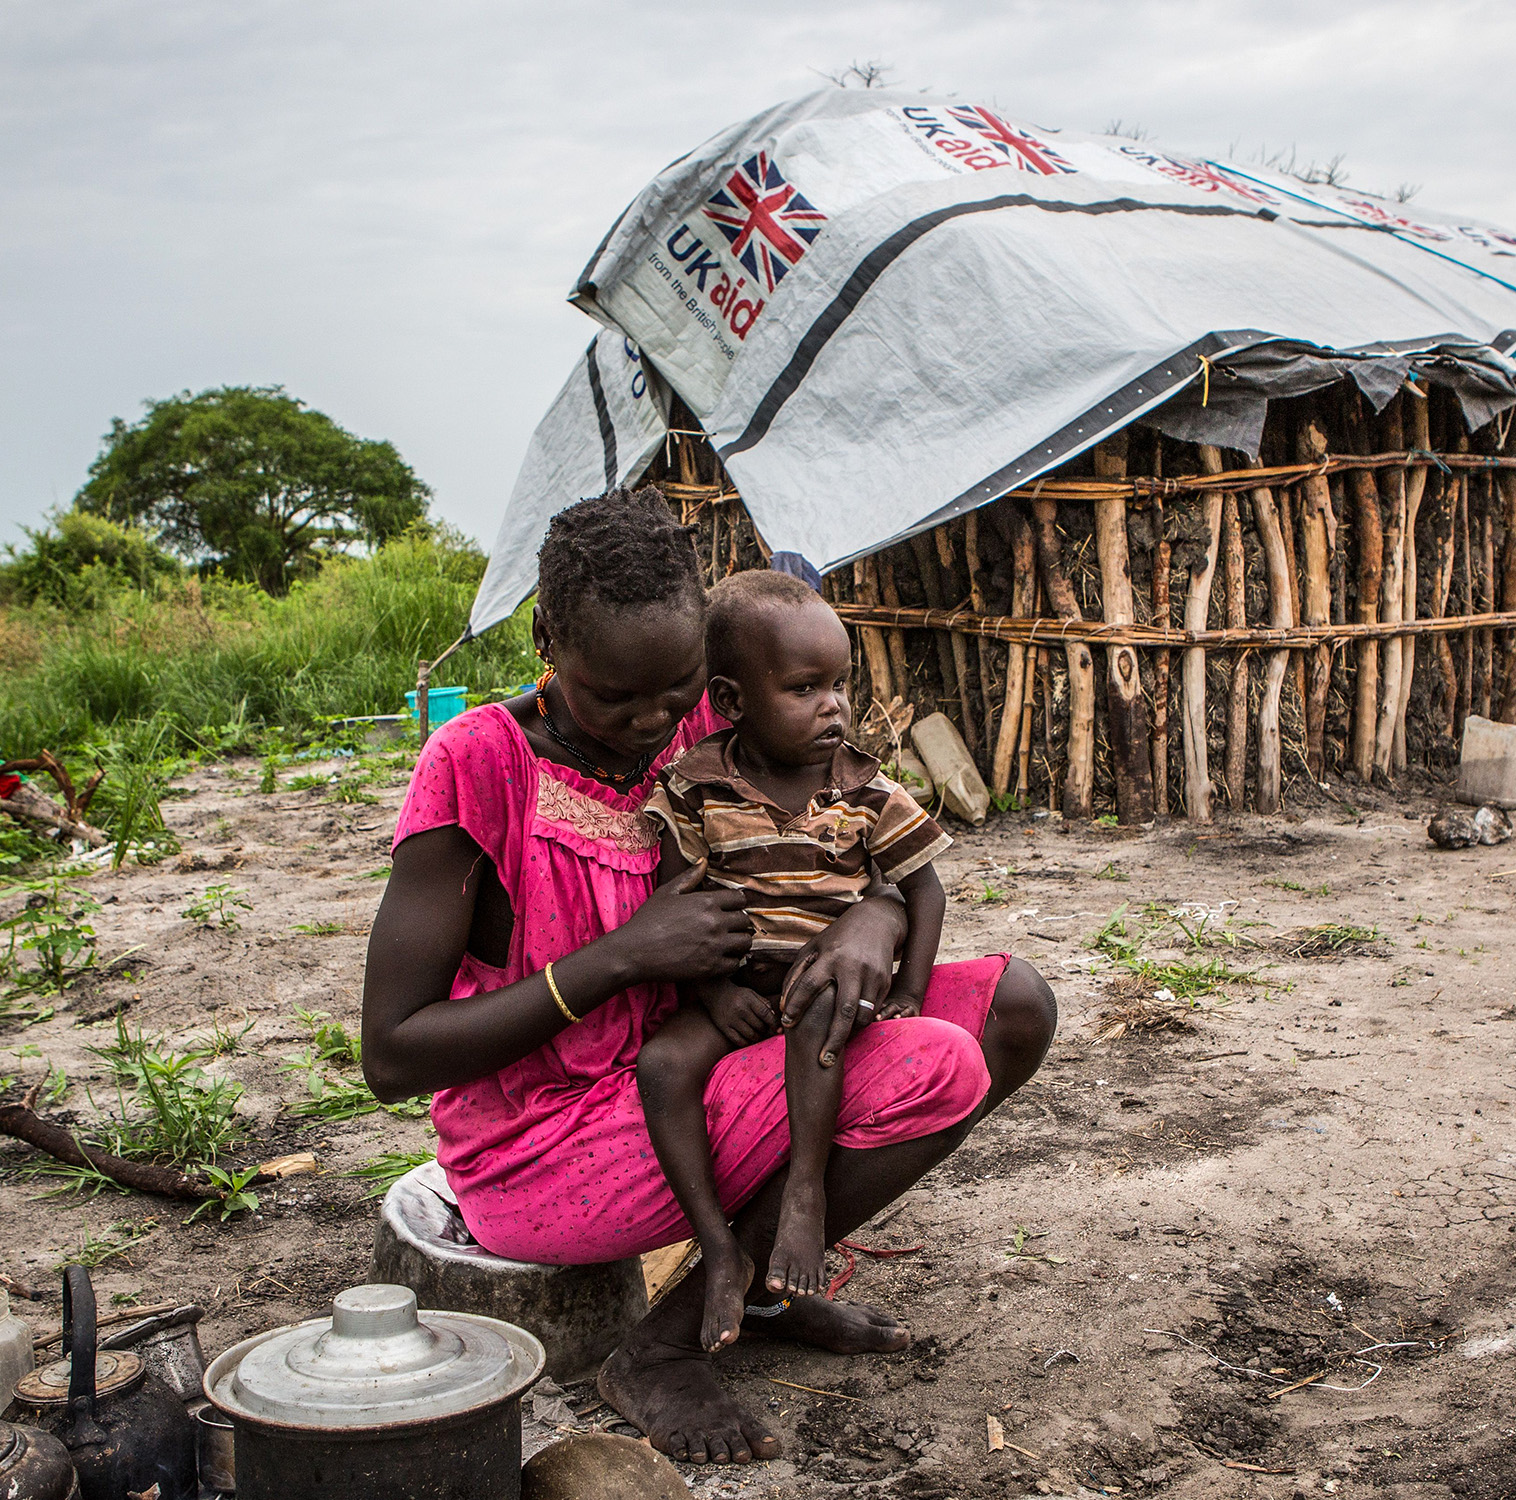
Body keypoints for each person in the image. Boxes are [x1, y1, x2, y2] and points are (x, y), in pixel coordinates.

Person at [360, 487, 1057, 1466]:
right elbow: (391, 1055)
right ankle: (658, 1352)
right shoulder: (479, 767)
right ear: (545, 638)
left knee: (1013, 1007)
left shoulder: (707, 731)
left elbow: (854, 839)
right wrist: (616, 961)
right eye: (613, 697)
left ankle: (760, 1291)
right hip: (547, 1144)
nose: (649, 724)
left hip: (723, 1047)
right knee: (932, 1066)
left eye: (675, 690)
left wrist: (875, 914)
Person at [641, 570, 952, 1353]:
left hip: (820, 981)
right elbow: (673, 900)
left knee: (823, 1012)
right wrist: (712, 996)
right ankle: (718, 1248)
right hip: (736, 988)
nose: (834, 705)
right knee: (662, 1067)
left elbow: (926, 890)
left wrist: (910, 990)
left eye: (840, 684)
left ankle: (805, 1198)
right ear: (734, 700)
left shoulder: (862, 787)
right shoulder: (697, 788)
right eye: (804, 687)